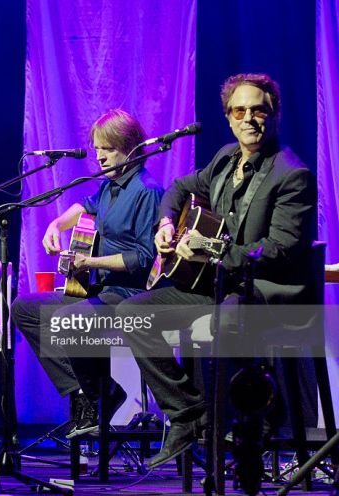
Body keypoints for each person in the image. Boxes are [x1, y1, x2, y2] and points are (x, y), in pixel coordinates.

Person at [116, 73, 318, 468]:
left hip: (266, 290)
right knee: (132, 313)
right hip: (218, 283)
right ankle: (189, 414)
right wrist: (165, 225)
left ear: (273, 114)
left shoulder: (292, 174)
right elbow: (177, 188)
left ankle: (225, 430)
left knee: (223, 322)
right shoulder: (226, 159)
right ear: (228, 118)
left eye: (258, 109)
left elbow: (279, 249)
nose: (249, 119)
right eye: (239, 111)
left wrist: (211, 249)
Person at [11, 109, 163, 438]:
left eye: (107, 148)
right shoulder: (108, 188)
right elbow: (85, 205)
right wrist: (55, 224)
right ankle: (89, 393)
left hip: (129, 296)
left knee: (69, 318)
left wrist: (89, 264)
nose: (100, 156)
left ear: (131, 146)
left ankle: (101, 396)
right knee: (25, 308)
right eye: (96, 149)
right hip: (97, 293)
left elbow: (143, 257)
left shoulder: (146, 191)